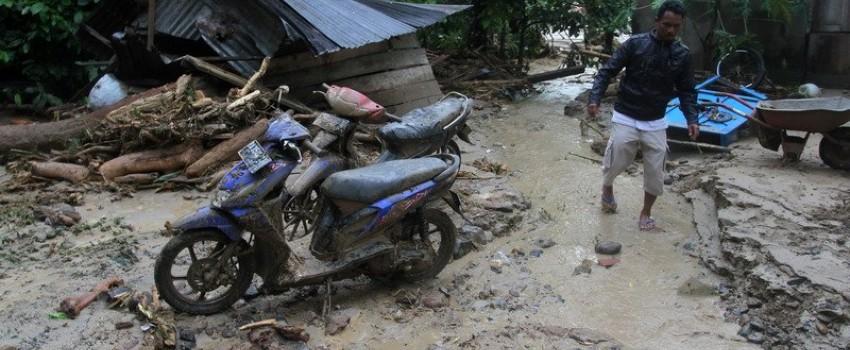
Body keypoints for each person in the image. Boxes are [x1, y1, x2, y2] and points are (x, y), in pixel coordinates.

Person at [586, 0, 699, 231]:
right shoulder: (635, 45)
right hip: (626, 114)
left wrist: (692, 119)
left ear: (681, 26)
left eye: (676, 26)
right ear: (656, 21)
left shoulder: (682, 55)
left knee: (656, 171)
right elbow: (607, 71)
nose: (671, 30)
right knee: (618, 159)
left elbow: (687, 90)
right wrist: (594, 99)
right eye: (667, 24)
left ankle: (646, 212)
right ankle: (607, 186)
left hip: (656, 119)